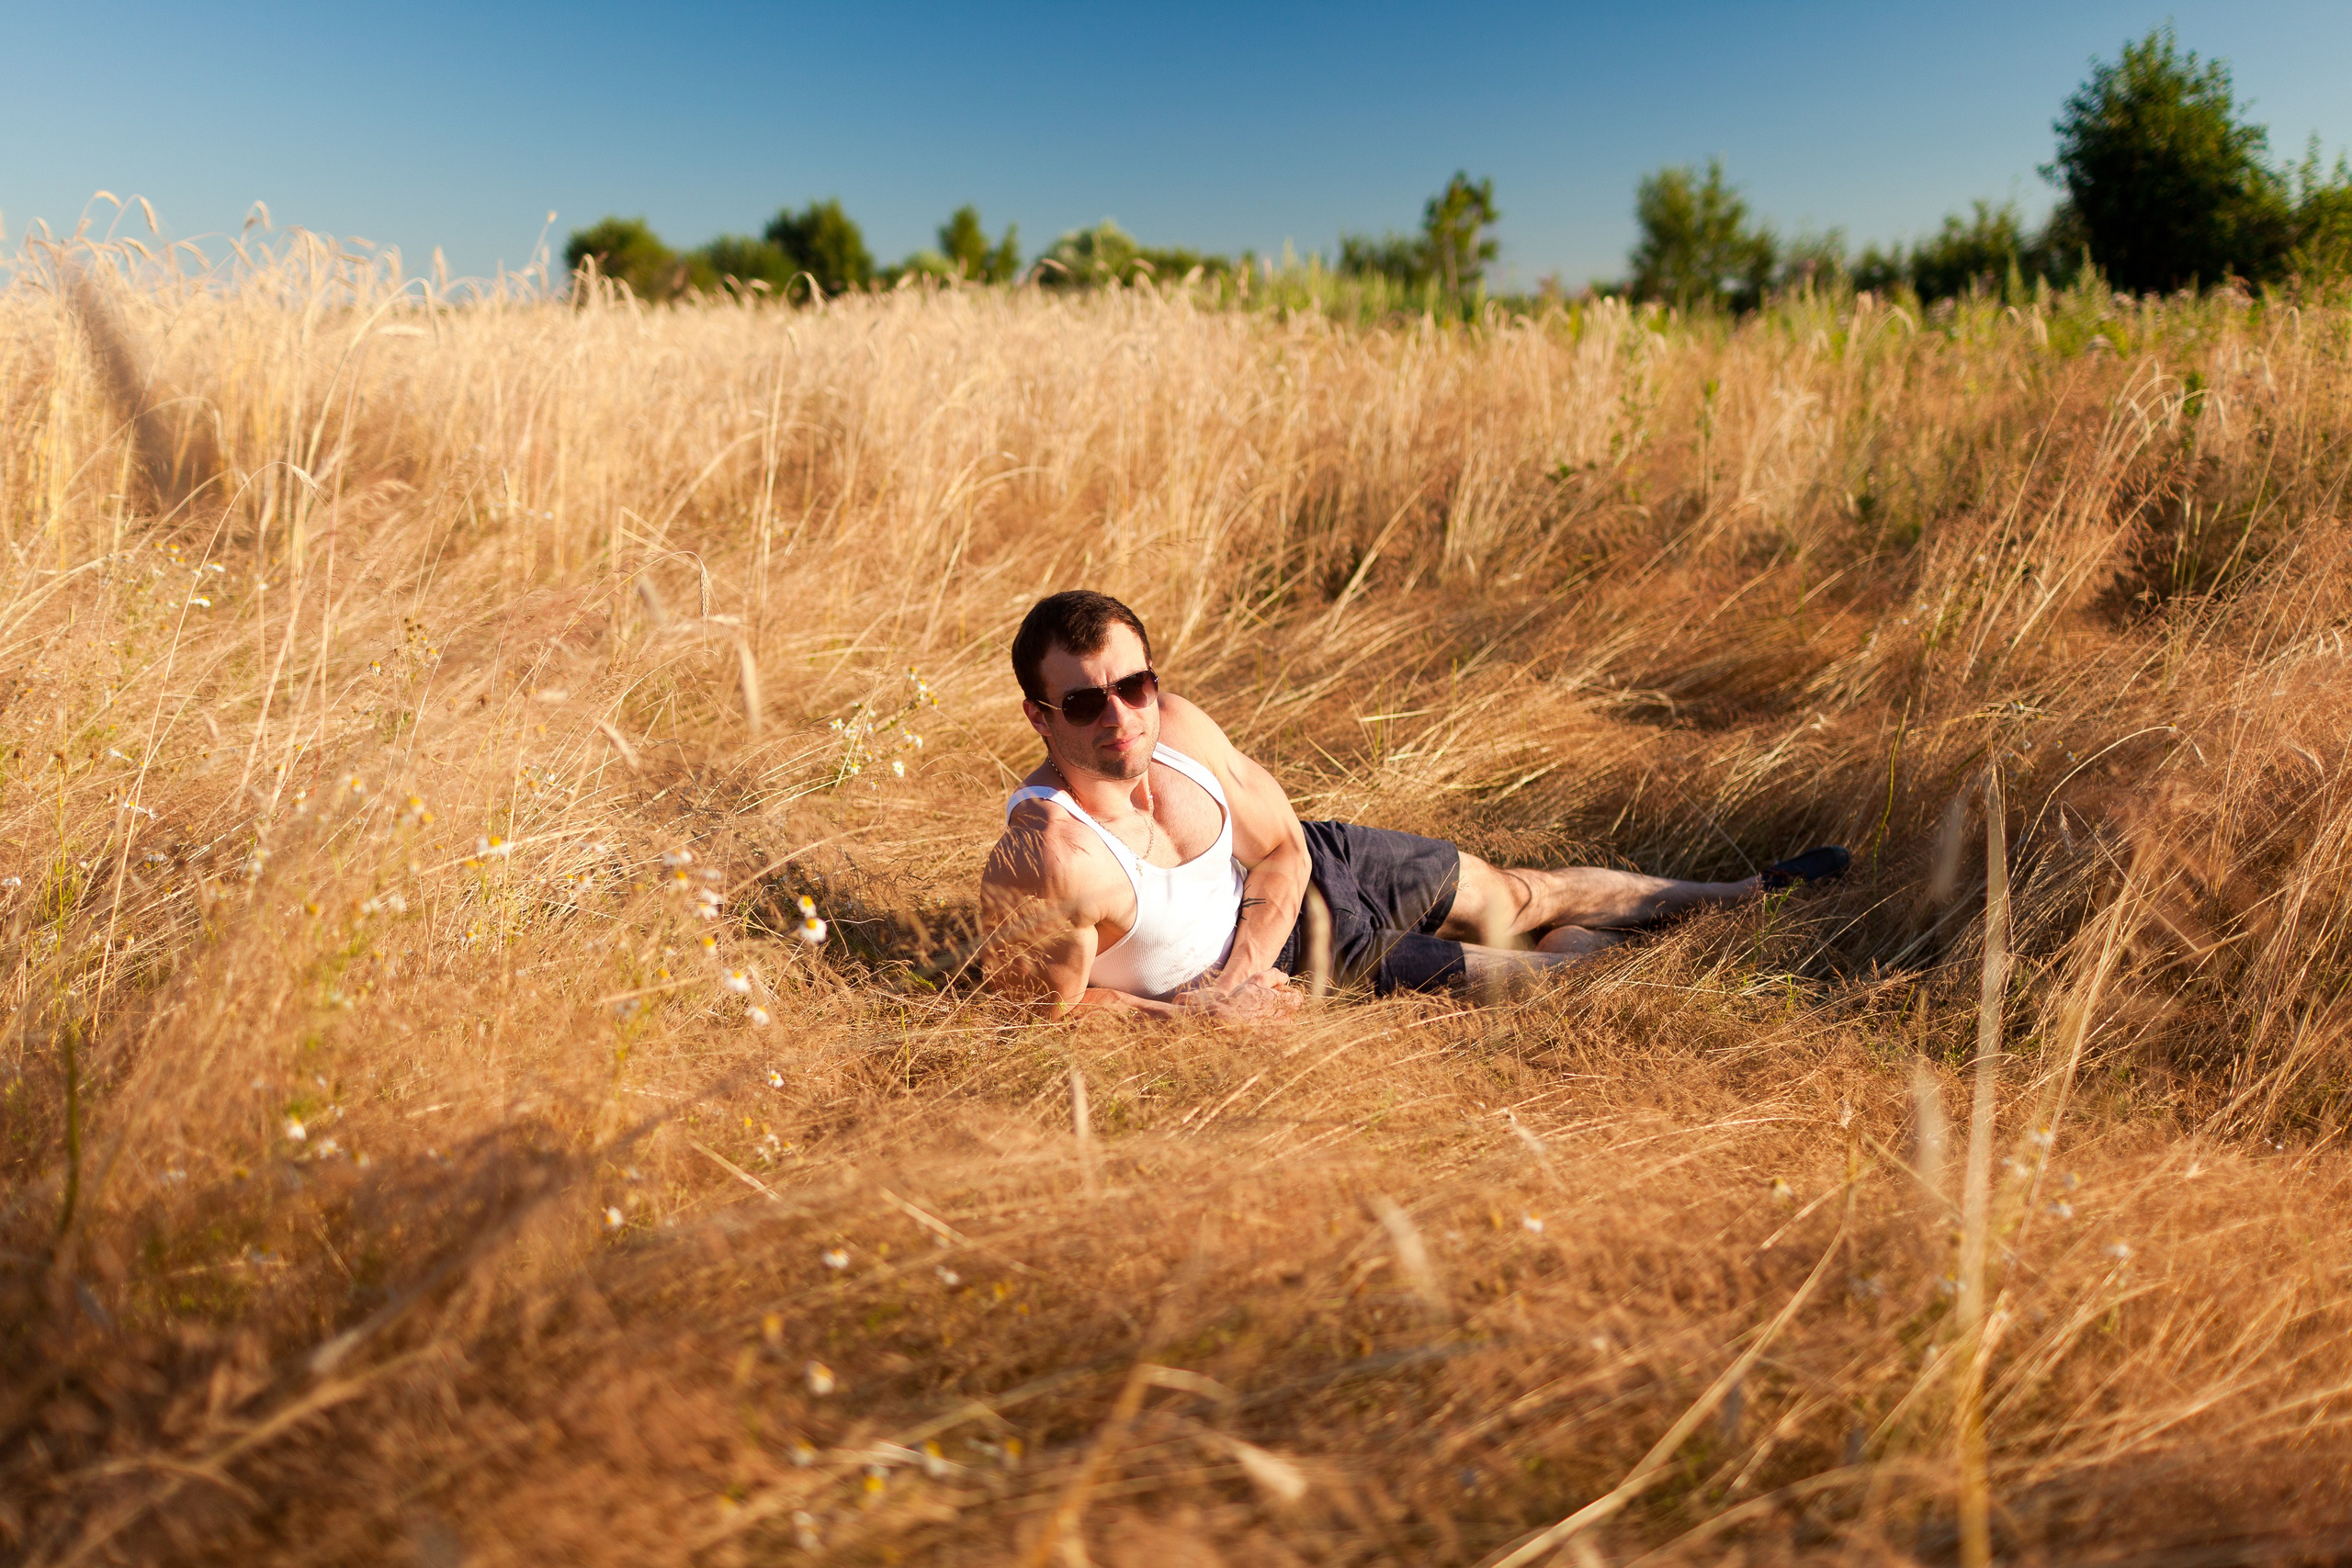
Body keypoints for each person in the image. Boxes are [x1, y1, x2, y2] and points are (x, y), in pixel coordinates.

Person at [979, 591, 1848, 1019]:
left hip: (1320, 868)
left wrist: (1238, 968)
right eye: (1087, 702)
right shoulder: (1049, 854)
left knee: (1517, 892)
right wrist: (1202, 1018)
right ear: (1039, 715)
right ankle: (1581, 953)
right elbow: (1041, 1017)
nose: (1123, 718)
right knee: (1554, 986)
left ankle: (1744, 892)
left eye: (1135, 686)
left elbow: (1281, 849)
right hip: (1325, 963)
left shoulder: (1183, 729)